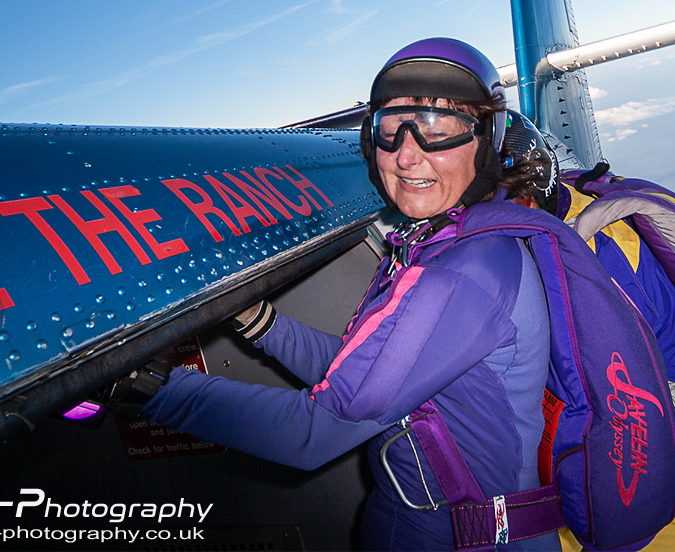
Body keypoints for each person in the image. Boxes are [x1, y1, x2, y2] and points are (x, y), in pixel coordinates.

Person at [139, 38, 562, 552]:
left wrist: (148, 391)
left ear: (486, 142)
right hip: (415, 524)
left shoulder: (465, 271)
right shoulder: (436, 244)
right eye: (391, 129)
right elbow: (362, 377)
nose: (406, 155)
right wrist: (261, 323)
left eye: (438, 130)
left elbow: (312, 433)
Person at [501, 112, 675, 552]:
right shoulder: (564, 222)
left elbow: (624, 400)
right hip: (644, 447)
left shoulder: (589, 259)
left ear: (529, 198)